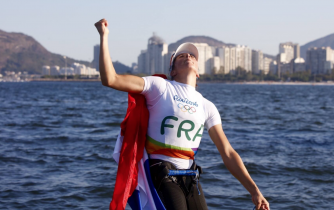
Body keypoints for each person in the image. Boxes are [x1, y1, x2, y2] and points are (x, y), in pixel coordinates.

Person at [94, 18, 270, 210]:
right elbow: (111, 79)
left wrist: (255, 191)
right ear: (173, 70)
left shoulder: (207, 106)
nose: (188, 56)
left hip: (190, 178)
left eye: (192, 56)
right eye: (181, 56)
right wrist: (104, 37)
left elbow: (227, 152)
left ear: (198, 72)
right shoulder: (160, 86)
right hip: (162, 174)